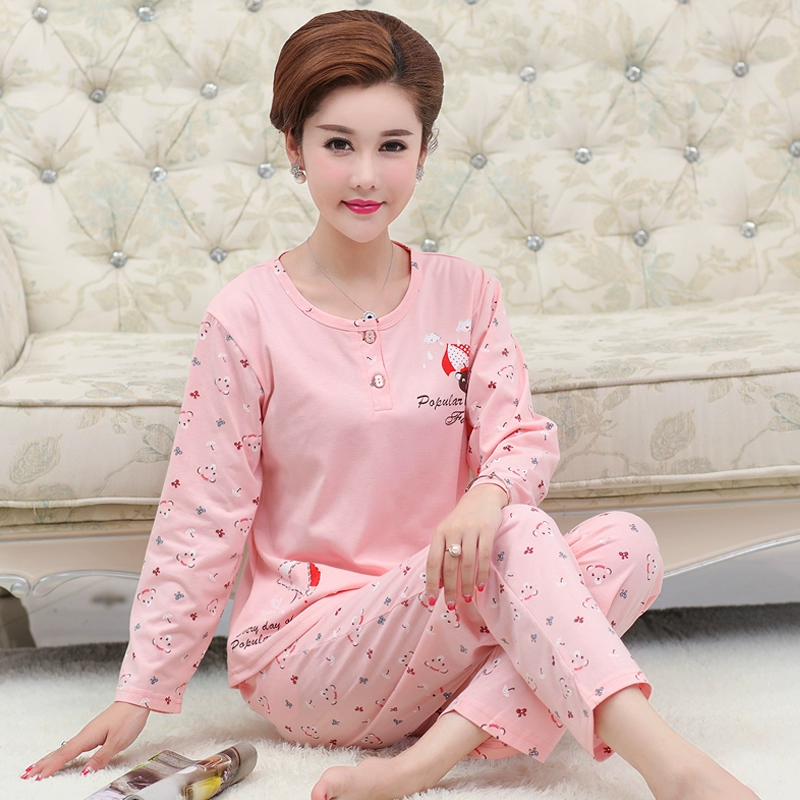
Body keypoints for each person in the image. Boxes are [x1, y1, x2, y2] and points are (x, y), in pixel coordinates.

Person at [23, 10, 760, 800]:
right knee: (518, 536)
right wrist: (141, 692)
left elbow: (520, 438)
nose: (367, 177)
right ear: (293, 147)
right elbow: (203, 516)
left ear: (423, 151)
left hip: (444, 635)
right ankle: (675, 770)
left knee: (627, 544)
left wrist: (486, 493)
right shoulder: (245, 317)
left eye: (393, 146)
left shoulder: (468, 293)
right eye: (339, 144)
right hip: (308, 659)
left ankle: (423, 763)